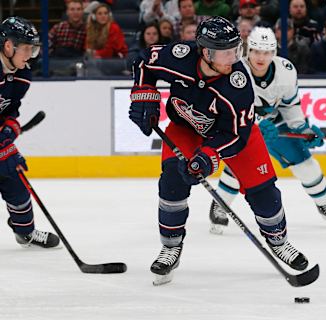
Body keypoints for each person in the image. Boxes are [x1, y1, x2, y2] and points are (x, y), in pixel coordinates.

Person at [128, 16, 310, 284]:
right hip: (185, 128)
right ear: (204, 51)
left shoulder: (238, 85)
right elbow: (144, 62)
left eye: (235, 50)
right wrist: (145, 94)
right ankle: (170, 247)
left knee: (264, 192)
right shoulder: (179, 56)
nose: (232, 58)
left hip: (232, 135)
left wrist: (209, 156)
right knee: (172, 182)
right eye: (225, 52)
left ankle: (279, 241)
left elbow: (238, 134)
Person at [209, 26, 326, 235]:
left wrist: (302, 129)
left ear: (274, 53)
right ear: (249, 50)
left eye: (266, 52)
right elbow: (229, 108)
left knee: (306, 163)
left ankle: (325, 204)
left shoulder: (286, 71)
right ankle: (220, 204)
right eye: (257, 51)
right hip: (239, 127)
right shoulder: (234, 70)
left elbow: (290, 105)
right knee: (238, 167)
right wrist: (255, 123)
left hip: (274, 125)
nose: (261, 57)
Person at [0, 17, 60, 248]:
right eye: (26, 48)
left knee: (15, 182)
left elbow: (11, 109)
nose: (30, 55)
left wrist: (9, 129)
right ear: (8, 46)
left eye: (32, 49)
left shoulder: (23, 75)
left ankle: (25, 232)